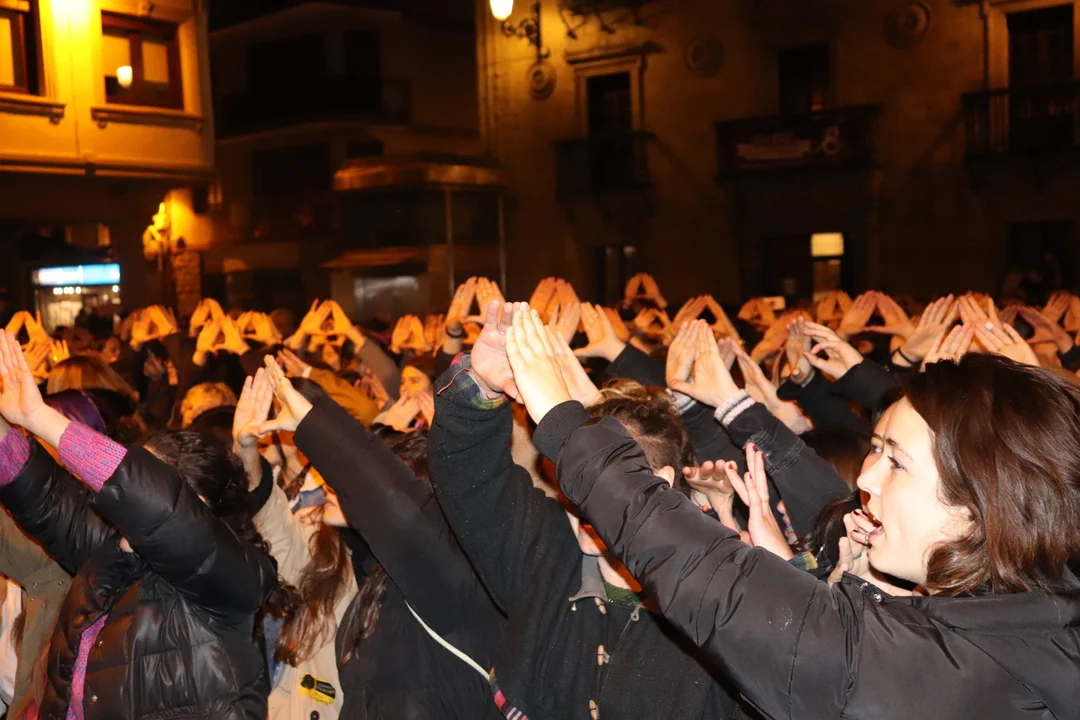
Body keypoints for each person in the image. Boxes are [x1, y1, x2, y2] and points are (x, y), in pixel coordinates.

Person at [505, 313, 1080, 718]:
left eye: (897, 462)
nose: (866, 480)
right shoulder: (1030, 619)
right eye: (874, 451)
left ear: (980, 505)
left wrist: (567, 425)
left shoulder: (951, 674)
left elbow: (717, 586)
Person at [429, 302, 745, 720]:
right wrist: (483, 387)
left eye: (602, 484)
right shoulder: (546, 550)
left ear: (662, 483)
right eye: (575, 481)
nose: (581, 503)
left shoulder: (714, 604)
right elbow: (468, 473)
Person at [0, 331, 281, 720]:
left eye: (146, 479)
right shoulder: (121, 552)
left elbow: (157, 506)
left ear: (197, 505)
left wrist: (39, 417)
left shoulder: (235, 576)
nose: (121, 495)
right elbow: (47, 498)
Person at [254, 357, 505, 720]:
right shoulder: (377, 579)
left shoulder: (452, 581)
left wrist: (315, 425)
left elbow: (394, 507)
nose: (334, 488)